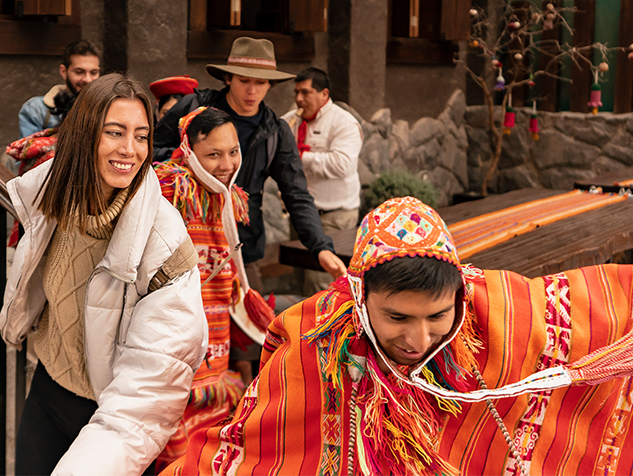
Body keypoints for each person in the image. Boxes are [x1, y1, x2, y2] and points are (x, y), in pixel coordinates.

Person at [162, 196, 633, 476]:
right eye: (397, 318)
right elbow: (257, 449)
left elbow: (591, 304)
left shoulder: (482, 305)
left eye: (436, 316)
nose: (420, 338)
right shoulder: (314, 340)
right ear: (361, 298)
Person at [0, 73, 208, 475]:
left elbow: (148, 392)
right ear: (84, 135)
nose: (129, 150)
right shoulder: (51, 195)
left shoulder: (163, 242)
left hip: (117, 421)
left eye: (141, 136)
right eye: (115, 132)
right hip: (47, 391)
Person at [153, 36, 345, 384]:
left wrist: (321, 248)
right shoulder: (195, 108)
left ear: (271, 85)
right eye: (244, 81)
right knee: (183, 332)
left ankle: (241, 413)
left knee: (250, 338)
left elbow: (297, 193)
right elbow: (155, 146)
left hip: (242, 243)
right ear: (228, 78)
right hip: (185, 238)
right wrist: (188, 176)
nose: (252, 91)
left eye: (260, 82)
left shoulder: (275, 131)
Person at [153, 107, 273, 470]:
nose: (225, 163)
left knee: (209, 436)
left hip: (215, 334)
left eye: (232, 151)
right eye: (214, 154)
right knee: (171, 429)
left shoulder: (228, 196)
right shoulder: (169, 187)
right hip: (172, 332)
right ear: (189, 150)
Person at [282, 67, 363, 294]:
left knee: (320, 285)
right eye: (297, 92)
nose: (298, 99)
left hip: (333, 216)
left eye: (306, 93)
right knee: (299, 276)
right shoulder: (290, 121)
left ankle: (321, 329)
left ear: (324, 95)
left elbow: (342, 164)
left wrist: (300, 156)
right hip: (300, 215)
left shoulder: (343, 122)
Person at [17, 39, 101, 138]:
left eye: (93, 72)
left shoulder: (107, 107)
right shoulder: (36, 109)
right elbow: (27, 150)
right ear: (64, 71)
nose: (88, 79)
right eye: (79, 72)